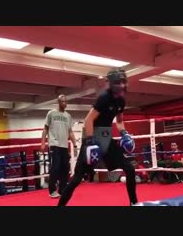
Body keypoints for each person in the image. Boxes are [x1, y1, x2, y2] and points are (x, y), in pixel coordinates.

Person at [57, 69, 138, 206]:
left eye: (124, 82)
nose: (122, 85)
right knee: (77, 178)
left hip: (106, 137)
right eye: (118, 82)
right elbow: (88, 120)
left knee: (130, 168)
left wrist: (124, 134)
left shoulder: (121, 101)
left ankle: (134, 203)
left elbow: (119, 121)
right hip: (93, 137)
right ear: (111, 84)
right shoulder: (104, 98)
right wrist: (90, 141)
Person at [41, 94, 78, 198]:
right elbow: (45, 128)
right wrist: (43, 143)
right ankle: (52, 190)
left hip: (64, 145)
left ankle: (62, 190)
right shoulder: (51, 113)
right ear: (58, 102)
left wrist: (75, 145)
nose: (64, 103)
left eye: (66, 101)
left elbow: (70, 132)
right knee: (55, 167)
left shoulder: (68, 116)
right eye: (62, 101)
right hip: (54, 143)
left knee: (65, 168)